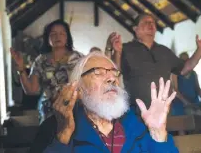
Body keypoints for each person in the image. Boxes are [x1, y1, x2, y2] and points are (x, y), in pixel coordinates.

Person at [44, 52, 179, 153]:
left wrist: (158, 132)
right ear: (78, 89)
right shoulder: (57, 127)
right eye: (98, 72)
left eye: (115, 74)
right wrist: (64, 134)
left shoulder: (138, 124)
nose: (111, 79)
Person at [106, 13, 201, 112]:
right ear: (136, 29)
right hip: (137, 113)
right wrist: (117, 52)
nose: (150, 25)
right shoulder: (126, 49)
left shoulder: (164, 51)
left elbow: (185, 69)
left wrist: (200, 50)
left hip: (164, 113)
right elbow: (115, 72)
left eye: (152, 23)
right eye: (146, 22)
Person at [10, 19, 83, 152]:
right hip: (49, 112)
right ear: (48, 39)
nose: (57, 37)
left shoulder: (79, 59)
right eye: (53, 34)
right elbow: (31, 90)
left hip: (75, 112)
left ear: (67, 37)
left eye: (62, 33)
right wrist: (21, 69)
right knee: (51, 146)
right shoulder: (40, 60)